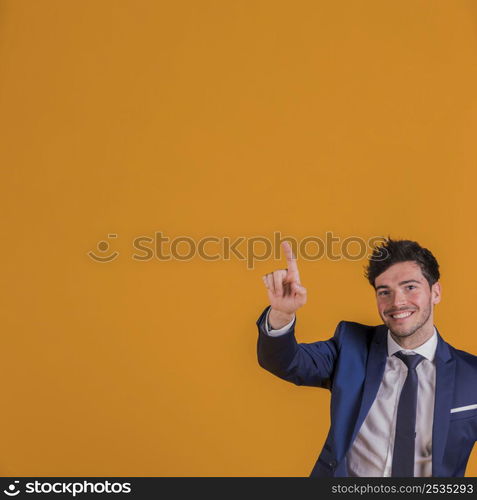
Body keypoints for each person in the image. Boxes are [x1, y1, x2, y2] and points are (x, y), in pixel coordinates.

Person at [257, 238, 477, 477]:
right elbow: (285, 362)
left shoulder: (471, 374)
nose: (397, 302)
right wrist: (281, 313)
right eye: (385, 292)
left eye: (410, 287)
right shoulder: (350, 347)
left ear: (435, 292)